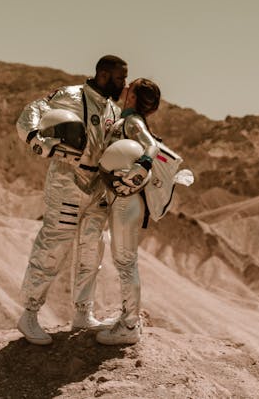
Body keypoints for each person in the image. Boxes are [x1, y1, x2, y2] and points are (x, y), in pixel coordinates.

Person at [14, 55, 127, 345]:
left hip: (98, 184)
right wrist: (38, 141)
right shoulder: (70, 95)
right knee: (54, 244)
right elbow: (33, 109)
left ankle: (83, 312)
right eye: (119, 78)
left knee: (92, 249)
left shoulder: (113, 109)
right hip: (68, 178)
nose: (123, 83)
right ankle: (29, 313)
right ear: (103, 75)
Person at [93, 78, 162, 345]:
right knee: (125, 261)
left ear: (132, 97)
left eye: (129, 89)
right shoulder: (130, 120)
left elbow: (151, 146)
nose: (123, 91)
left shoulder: (133, 123)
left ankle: (130, 324)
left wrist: (142, 166)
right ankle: (128, 316)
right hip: (122, 202)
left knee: (125, 262)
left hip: (126, 203)